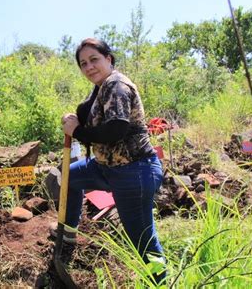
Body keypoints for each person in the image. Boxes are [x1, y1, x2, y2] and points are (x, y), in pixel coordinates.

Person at [51, 38, 166, 283]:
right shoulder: (100, 87)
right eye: (83, 63)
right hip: (104, 167)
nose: (89, 67)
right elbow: (90, 115)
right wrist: (74, 119)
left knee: (142, 240)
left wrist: (77, 131)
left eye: (94, 60)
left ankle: (161, 283)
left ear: (109, 59)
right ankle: (69, 235)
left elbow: (116, 130)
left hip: (134, 172)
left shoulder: (117, 85)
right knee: (67, 176)